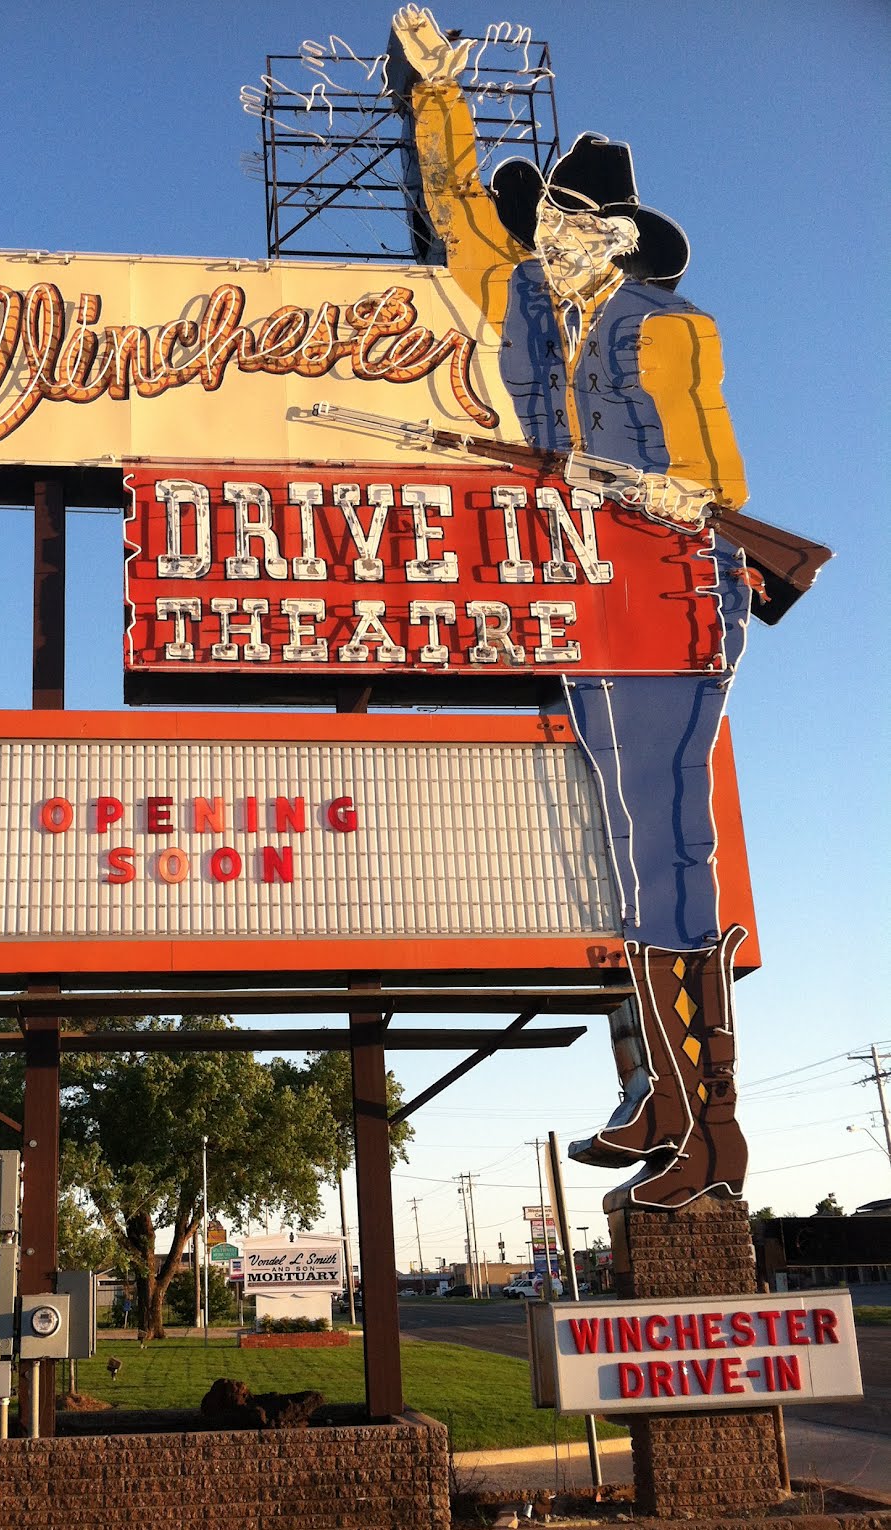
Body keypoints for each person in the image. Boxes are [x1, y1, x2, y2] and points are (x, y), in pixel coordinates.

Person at [392, 6, 753, 1208]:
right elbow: (452, 210)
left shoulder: (670, 330)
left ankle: (712, 1134)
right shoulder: (525, 303)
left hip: (665, 580)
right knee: (626, 842)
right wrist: (436, 95)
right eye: (543, 217)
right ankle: (665, 1085)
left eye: (570, 223)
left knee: (667, 846)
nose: (547, 236)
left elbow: (714, 473)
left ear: (617, 238)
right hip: (583, 591)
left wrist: (673, 493)